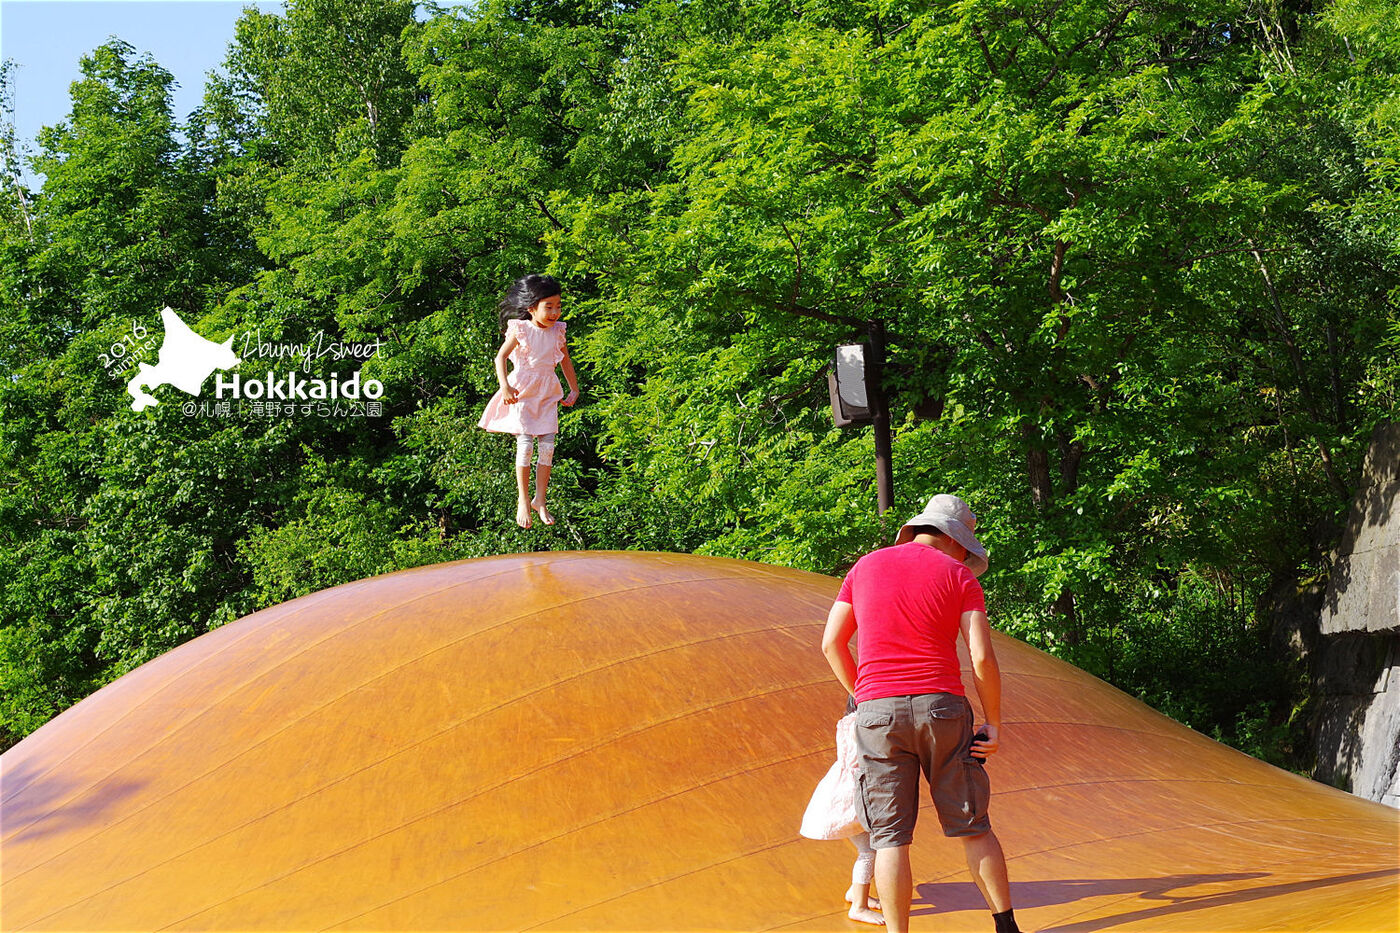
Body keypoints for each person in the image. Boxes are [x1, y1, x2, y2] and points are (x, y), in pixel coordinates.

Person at [820, 493, 1022, 933]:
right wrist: (994, 722)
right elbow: (981, 657)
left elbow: (831, 643)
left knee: (890, 838)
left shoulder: (864, 567)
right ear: (956, 542)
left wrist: (868, 695)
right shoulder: (959, 576)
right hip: (942, 708)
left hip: (877, 714)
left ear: (914, 530)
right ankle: (1006, 927)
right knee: (973, 826)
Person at [478, 274, 580, 529]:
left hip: (546, 392)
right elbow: (500, 358)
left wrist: (574, 389)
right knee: (525, 445)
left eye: (558, 306)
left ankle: (540, 500)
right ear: (532, 308)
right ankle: (523, 500)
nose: (555, 312)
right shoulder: (521, 329)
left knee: (547, 446)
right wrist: (505, 386)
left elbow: (565, 360)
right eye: (549, 307)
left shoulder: (558, 331)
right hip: (523, 391)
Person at [799, 704, 884, 925]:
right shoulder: (864, 725)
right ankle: (859, 906)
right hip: (851, 796)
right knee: (870, 851)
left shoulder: (846, 723)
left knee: (871, 847)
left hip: (840, 790)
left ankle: (855, 892)